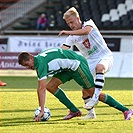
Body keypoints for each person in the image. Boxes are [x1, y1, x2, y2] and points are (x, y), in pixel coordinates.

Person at [18, 48, 133, 122]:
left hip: (77, 65)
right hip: (67, 68)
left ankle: (126, 110)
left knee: (93, 94)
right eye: (25, 66)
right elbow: (42, 88)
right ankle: (74, 111)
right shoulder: (39, 62)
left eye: (27, 64)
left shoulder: (41, 63)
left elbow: (40, 89)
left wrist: (42, 110)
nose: (28, 67)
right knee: (50, 86)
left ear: (31, 58)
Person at [58, 7, 133, 120]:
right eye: (68, 24)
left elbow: (86, 31)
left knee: (100, 67)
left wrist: (67, 32)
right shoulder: (71, 37)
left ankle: (96, 97)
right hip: (89, 62)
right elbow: (63, 49)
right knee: (85, 90)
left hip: (105, 56)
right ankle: (91, 114)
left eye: (72, 22)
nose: (71, 25)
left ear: (78, 18)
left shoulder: (88, 22)